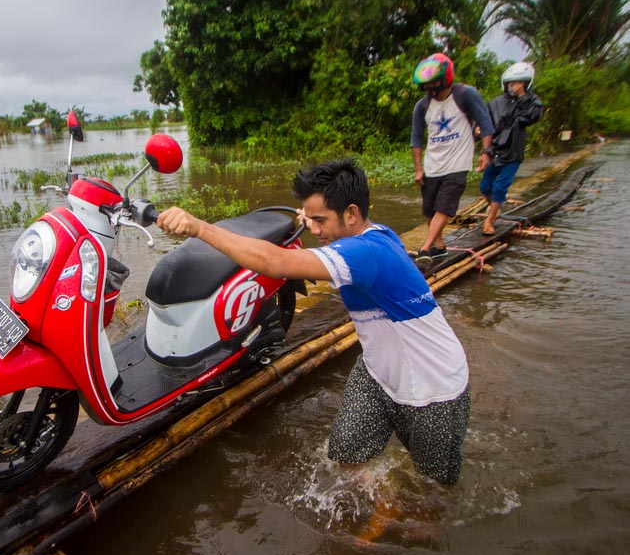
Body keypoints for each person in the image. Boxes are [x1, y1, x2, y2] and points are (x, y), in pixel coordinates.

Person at [157, 159, 471, 485]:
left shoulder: (364, 254)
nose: (314, 229)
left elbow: (275, 262)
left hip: (435, 388)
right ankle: (379, 497)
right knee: (346, 455)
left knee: (431, 489)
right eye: (311, 219)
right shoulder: (378, 236)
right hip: (379, 372)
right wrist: (312, 216)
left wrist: (200, 228)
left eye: (320, 221)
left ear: (351, 214)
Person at [410, 53, 495, 264]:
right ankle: (439, 247)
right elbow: (416, 139)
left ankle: (425, 248)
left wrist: (486, 152)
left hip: (457, 163)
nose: (430, 88)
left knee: (443, 207)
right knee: (429, 210)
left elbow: (485, 123)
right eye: (427, 84)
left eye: (434, 83)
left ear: (445, 78)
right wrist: (418, 168)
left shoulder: (465, 95)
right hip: (433, 164)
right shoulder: (422, 106)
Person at [478, 62, 544, 235]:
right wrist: (479, 135)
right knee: (485, 186)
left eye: (518, 83)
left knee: (500, 187)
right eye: (512, 83)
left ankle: (489, 220)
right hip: (495, 151)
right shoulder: (497, 103)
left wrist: (522, 97)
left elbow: (532, 116)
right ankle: (495, 207)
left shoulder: (532, 102)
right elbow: (484, 121)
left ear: (526, 83)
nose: (514, 86)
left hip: (513, 153)